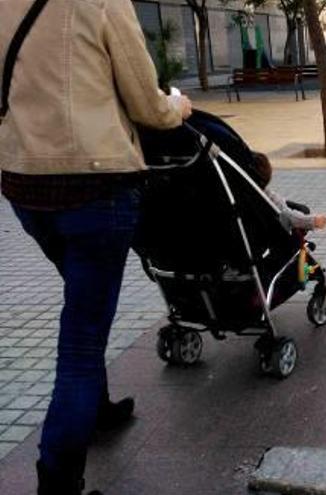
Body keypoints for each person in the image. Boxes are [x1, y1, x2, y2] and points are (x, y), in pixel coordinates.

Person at [0, 0, 192, 493]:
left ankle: (97, 409)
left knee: (83, 304)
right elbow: (148, 107)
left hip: (24, 184)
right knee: (82, 342)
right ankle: (58, 480)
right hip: (95, 187)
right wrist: (180, 104)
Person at [251, 152, 326, 233]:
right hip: (269, 230)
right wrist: (313, 221)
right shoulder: (263, 195)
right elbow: (286, 215)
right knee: (300, 212)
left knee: (301, 208)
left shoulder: (249, 191)